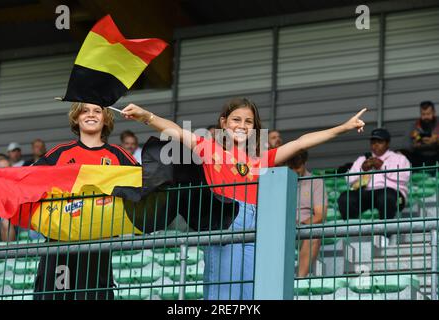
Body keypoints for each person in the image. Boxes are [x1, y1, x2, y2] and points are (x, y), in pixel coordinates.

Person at [120, 97, 366, 300]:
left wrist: (342, 128)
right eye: (236, 119)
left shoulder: (261, 158)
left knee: (252, 294)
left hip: (258, 225)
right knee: (223, 294)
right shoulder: (209, 148)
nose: (242, 125)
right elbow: (176, 130)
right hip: (225, 221)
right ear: (224, 123)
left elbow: (300, 142)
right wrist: (146, 116)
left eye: (249, 121)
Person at [33, 102, 138, 300]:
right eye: (85, 111)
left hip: (98, 243)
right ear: (76, 117)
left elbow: (143, 181)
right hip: (59, 241)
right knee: (52, 295)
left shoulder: (118, 154)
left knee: (92, 296)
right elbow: (29, 177)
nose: (91, 115)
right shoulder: (60, 152)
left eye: (97, 111)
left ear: (106, 118)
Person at [338, 128, 410, 221]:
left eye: (379, 142)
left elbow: (404, 177)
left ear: (387, 143)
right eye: (373, 142)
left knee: (386, 197)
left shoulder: (399, 158)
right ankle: (353, 232)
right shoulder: (362, 159)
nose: (376, 145)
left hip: (391, 193)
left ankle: (385, 233)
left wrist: (382, 166)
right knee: (345, 198)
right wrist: (362, 169)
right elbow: (349, 180)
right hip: (366, 192)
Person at [288, 149, 327, 277]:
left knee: (314, 235)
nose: (294, 171)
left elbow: (320, 215)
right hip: (284, 228)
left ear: (304, 163)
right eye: (291, 167)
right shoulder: (281, 181)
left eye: (297, 167)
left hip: (304, 229)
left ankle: (300, 279)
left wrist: (300, 224)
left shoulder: (316, 182)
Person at [409, 101, 439, 169]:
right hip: (419, 156)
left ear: (434, 112)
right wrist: (414, 145)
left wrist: (437, 141)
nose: (426, 117)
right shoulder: (414, 126)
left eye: (428, 114)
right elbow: (406, 145)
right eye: (423, 114)